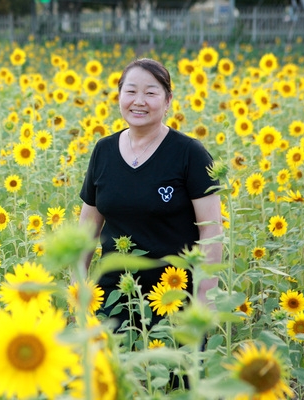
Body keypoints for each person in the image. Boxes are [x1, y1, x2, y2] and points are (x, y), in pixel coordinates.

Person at [78, 58, 222, 332]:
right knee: (111, 373)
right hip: (114, 297)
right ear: (119, 96)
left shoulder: (189, 153)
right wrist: (79, 286)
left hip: (175, 295)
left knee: (178, 375)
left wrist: (205, 299)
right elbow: (87, 231)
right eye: (130, 91)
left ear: (168, 100)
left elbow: (211, 232)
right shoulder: (103, 151)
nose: (139, 101)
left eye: (151, 92)